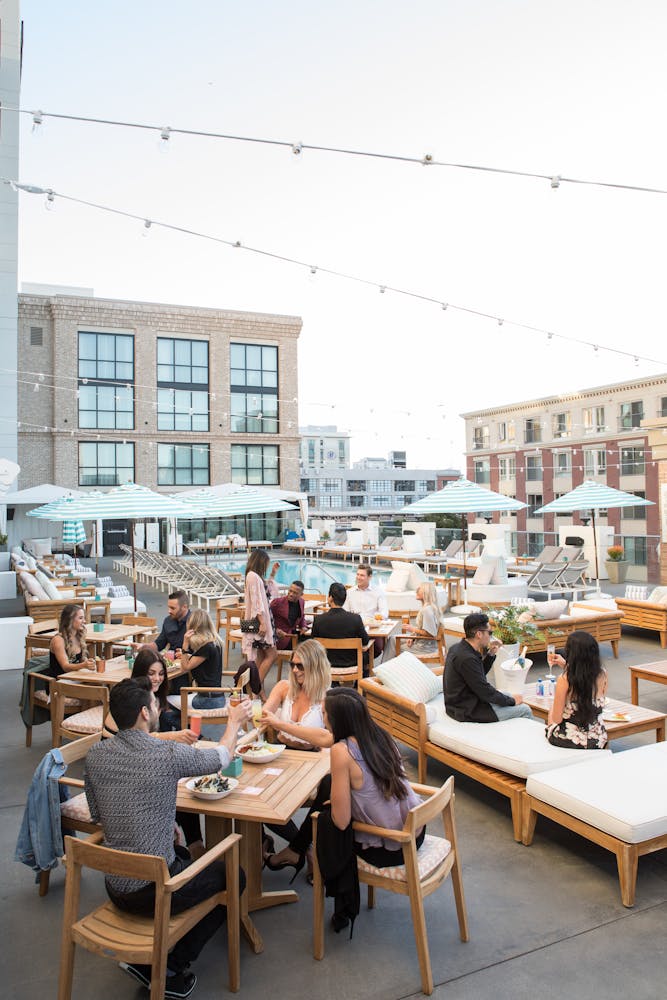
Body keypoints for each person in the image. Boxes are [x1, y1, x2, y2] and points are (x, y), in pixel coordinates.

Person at [84, 677, 252, 999]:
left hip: (115, 884)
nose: (159, 705)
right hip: (154, 890)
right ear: (145, 713)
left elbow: (100, 815)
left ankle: (155, 958)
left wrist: (163, 824)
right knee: (234, 876)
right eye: (155, 702)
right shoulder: (164, 754)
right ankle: (170, 966)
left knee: (184, 855)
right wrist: (233, 722)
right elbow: (220, 758)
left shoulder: (95, 755)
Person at [260, 640, 331, 879]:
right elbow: (265, 715)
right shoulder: (283, 687)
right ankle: (305, 848)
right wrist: (258, 716)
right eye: (293, 665)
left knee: (326, 792)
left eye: (301, 666)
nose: (295, 670)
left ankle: (297, 849)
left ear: (316, 666)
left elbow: (327, 739)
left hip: (310, 760)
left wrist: (279, 723)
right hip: (279, 754)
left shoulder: (326, 699)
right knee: (259, 802)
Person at [444, 612, 534, 722]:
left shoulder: (458, 648)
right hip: (468, 709)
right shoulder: (467, 658)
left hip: (463, 702)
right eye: (489, 632)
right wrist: (512, 701)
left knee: (508, 694)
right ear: (479, 634)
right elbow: (485, 691)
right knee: (525, 709)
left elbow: (477, 676)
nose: (490, 636)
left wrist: (491, 654)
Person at [546, 631, 608, 749]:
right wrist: (565, 665)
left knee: (552, 712)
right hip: (598, 738)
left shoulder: (564, 679)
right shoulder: (603, 674)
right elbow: (585, 681)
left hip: (570, 741)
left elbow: (557, 719)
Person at [134, 589, 192, 692]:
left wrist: (187, 654)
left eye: (172, 608)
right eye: (168, 607)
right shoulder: (168, 621)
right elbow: (159, 644)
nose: (169, 611)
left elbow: (203, 650)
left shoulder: (195, 622)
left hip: (187, 669)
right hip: (170, 666)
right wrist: (143, 647)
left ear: (185, 607)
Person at [240, 548, 278, 693]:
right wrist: (262, 622)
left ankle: (257, 691)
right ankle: (253, 688)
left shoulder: (253, 576)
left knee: (261, 657)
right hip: (259, 621)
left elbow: (265, 593)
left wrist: (273, 574)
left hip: (256, 620)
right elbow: (257, 602)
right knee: (272, 654)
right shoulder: (253, 576)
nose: (266, 567)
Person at [311, 581, 370, 672]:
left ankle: (333, 683)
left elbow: (314, 643)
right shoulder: (355, 619)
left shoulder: (318, 620)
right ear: (344, 599)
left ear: (330, 598)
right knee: (366, 655)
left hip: (326, 663)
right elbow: (365, 641)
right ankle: (358, 684)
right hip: (352, 662)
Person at [181, 609, 225, 711]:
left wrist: (184, 647)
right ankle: (187, 724)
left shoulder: (206, 648)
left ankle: (185, 725)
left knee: (168, 703)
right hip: (217, 696)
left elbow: (185, 668)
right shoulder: (215, 643)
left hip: (206, 699)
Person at [384, 582, 440, 660]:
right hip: (422, 641)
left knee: (394, 648)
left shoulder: (427, 610)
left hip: (424, 648)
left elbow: (430, 633)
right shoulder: (429, 607)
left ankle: (385, 669)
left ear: (426, 593)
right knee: (392, 639)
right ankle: (386, 667)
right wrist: (412, 637)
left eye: (419, 589)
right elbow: (425, 629)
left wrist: (412, 629)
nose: (416, 590)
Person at [46, 604, 96, 677]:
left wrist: (89, 662)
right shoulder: (58, 640)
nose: (84, 621)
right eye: (80, 618)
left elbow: (80, 660)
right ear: (70, 620)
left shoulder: (79, 636)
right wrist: (84, 665)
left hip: (75, 677)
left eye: (84, 618)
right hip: (59, 682)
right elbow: (65, 667)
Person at [270, 579, 308, 650]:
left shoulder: (302, 602)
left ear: (301, 594)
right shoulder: (277, 603)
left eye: (295, 593)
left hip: (293, 636)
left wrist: (303, 626)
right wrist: (275, 630)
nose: (291, 594)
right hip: (278, 638)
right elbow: (266, 618)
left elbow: (302, 617)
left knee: (311, 644)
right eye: (290, 591)